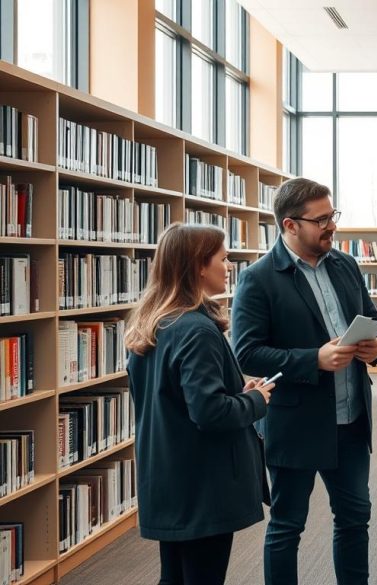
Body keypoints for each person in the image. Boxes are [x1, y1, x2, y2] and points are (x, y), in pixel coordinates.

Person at [231, 177, 377, 585]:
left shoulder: (345, 265)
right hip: (296, 424)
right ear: (290, 225)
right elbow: (246, 353)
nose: (331, 226)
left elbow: (374, 319)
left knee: (355, 519)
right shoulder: (259, 279)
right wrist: (313, 359)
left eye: (332, 215)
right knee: (287, 527)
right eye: (321, 220)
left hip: (351, 419)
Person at [125, 223, 275, 585]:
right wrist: (255, 400)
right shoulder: (197, 330)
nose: (229, 267)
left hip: (168, 478)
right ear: (198, 265)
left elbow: (175, 399)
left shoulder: (156, 323)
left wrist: (236, 389)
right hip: (202, 485)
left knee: (174, 577)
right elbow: (209, 412)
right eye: (222, 259)